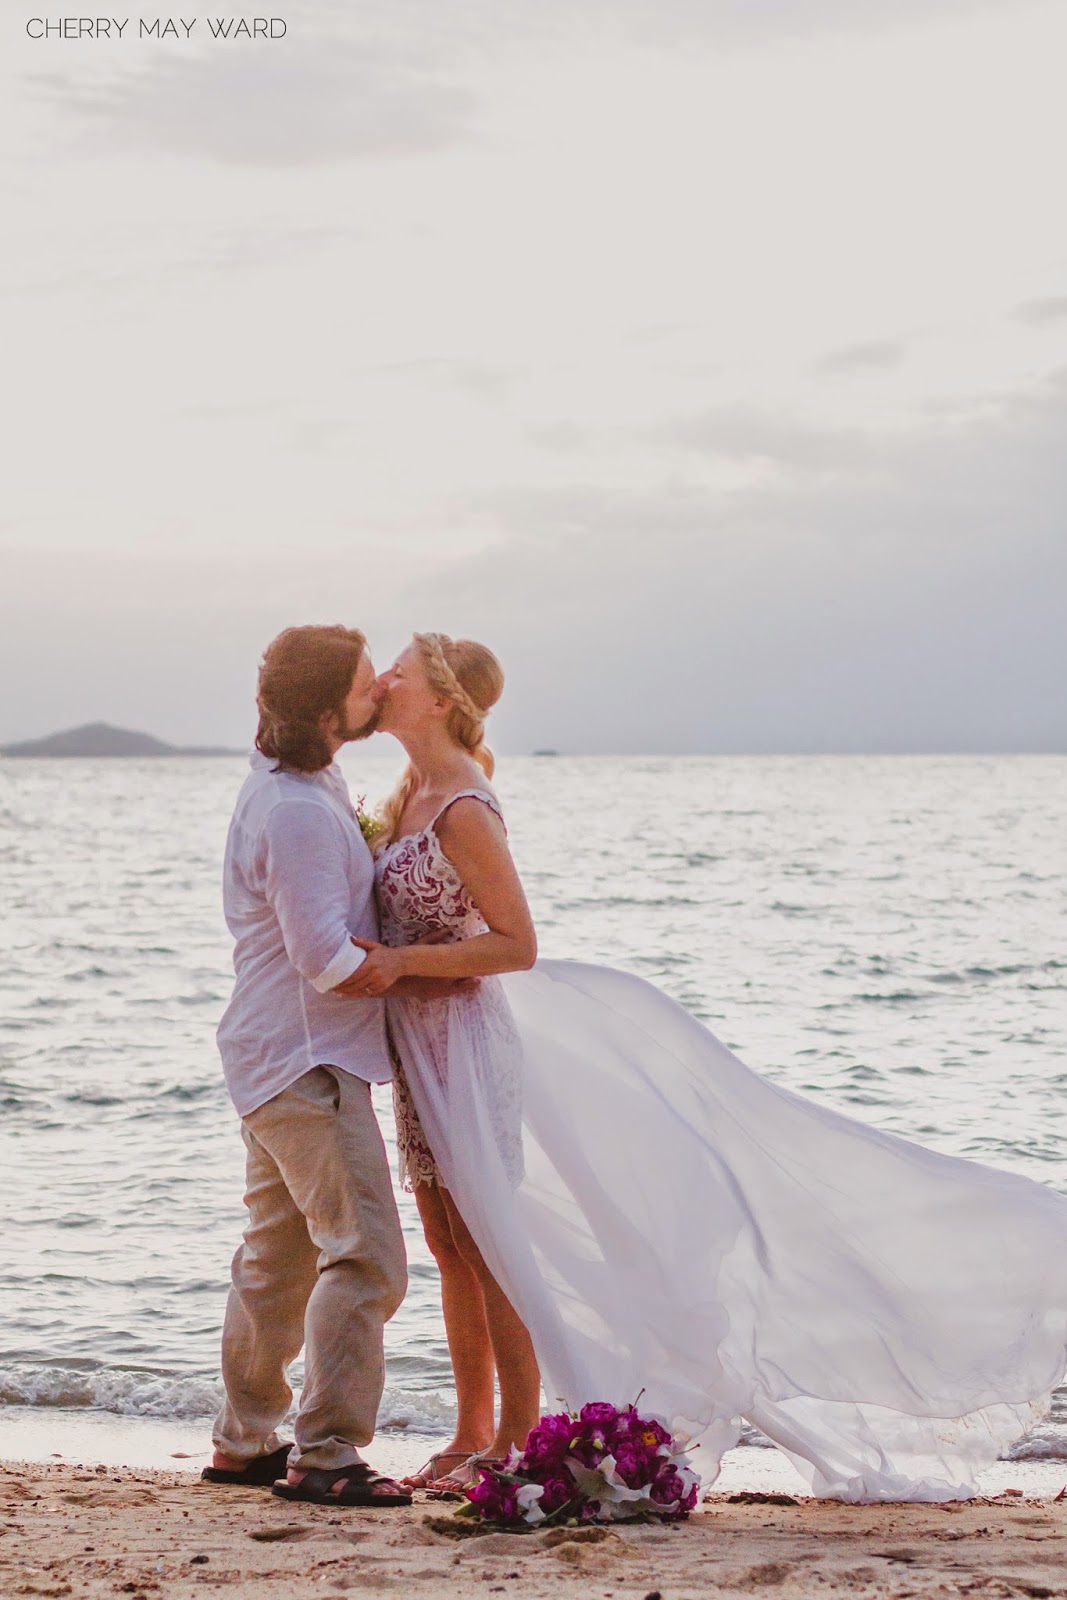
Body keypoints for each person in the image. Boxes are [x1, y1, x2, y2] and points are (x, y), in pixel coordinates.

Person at [342, 630, 1067, 1505]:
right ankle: (465, 1430)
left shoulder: (463, 807)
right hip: (416, 1047)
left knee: (493, 1245)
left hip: (465, 1042)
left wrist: (399, 965)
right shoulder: (405, 790)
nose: (383, 680)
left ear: (440, 700)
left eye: (400, 672)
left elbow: (516, 945)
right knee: (449, 1245)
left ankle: (510, 1437)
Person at [204, 624, 463, 1508]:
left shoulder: (297, 783)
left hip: (271, 1055)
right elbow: (323, 957)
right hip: (309, 1063)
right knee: (367, 1262)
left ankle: (243, 1443)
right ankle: (328, 1454)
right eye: (362, 684)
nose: (378, 688)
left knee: (276, 1262)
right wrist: (439, 971)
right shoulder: (300, 811)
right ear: (324, 713)